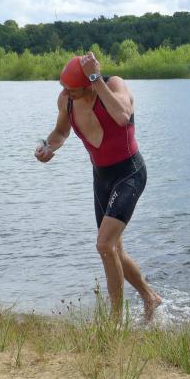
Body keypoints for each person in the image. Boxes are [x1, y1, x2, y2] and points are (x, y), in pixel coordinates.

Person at [34, 52, 162, 321]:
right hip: (102, 178)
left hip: (129, 173)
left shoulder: (113, 85)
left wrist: (96, 79)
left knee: (104, 245)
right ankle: (150, 298)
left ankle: (115, 321)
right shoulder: (66, 100)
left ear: (89, 84)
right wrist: (47, 147)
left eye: (72, 89)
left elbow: (123, 116)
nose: (66, 93)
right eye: (64, 88)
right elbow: (61, 132)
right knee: (114, 250)